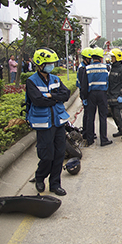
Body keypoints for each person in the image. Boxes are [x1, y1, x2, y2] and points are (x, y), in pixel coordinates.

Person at [25, 47, 70, 196]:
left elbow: (66, 94)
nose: (52, 65)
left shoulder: (55, 79)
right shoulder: (31, 81)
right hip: (43, 124)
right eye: (49, 63)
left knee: (59, 154)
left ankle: (55, 184)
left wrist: (50, 96)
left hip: (58, 122)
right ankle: (40, 177)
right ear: (40, 64)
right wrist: (55, 98)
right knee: (47, 155)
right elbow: (38, 101)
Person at [83, 47, 112, 147]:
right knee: (102, 117)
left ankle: (90, 139)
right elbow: (109, 81)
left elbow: (84, 85)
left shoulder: (87, 69)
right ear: (100, 57)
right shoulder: (106, 68)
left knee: (90, 117)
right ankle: (103, 139)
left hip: (91, 94)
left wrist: (84, 98)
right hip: (102, 94)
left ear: (92, 58)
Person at [77, 47, 94, 140]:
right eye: (90, 58)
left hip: (85, 93)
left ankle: (87, 131)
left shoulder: (83, 66)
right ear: (86, 58)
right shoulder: (82, 68)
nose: (91, 60)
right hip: (85, 93)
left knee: (87, 113)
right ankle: (86, 133)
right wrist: (84, 97)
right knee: (87, 114)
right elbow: (83, 85)